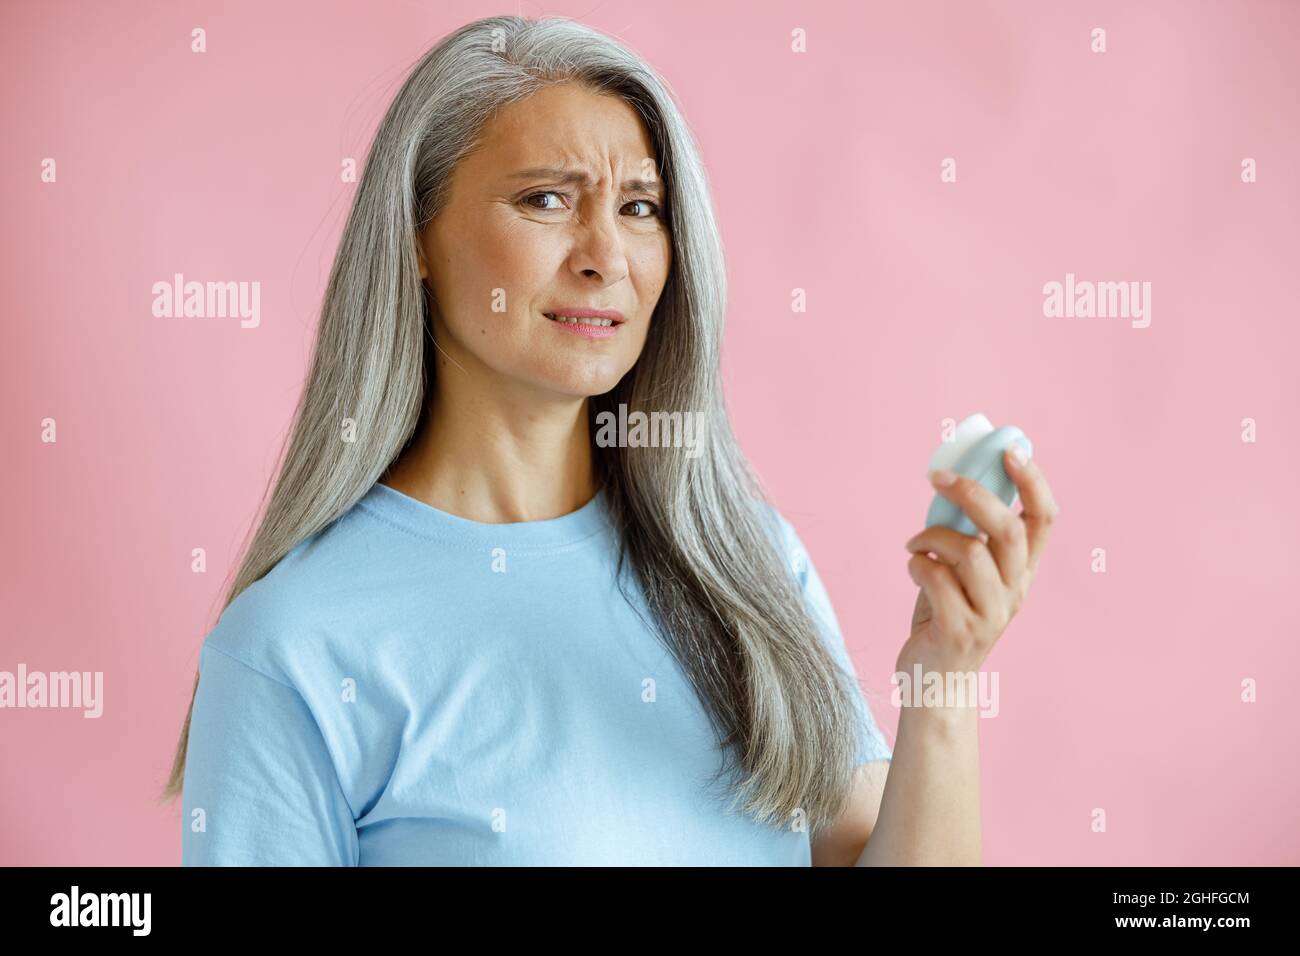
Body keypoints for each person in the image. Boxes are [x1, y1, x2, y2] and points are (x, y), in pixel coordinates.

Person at [162, 15, 1058, 867]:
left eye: (639, 206)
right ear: (416, 237)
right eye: (546, 198)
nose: (607, 255)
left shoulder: (749, 565)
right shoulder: (293, 647)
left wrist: (944, 679)